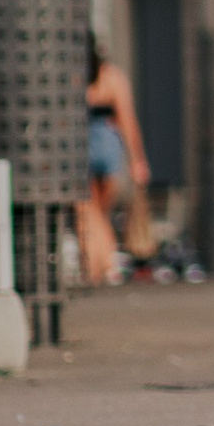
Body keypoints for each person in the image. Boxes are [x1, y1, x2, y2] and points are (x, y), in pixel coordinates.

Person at [77, 37, 149, 285]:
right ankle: (106, 262)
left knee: (87, 212)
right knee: (101, 212)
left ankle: (95, 265)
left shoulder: (74, 79)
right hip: (108, 146)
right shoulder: (113, 78)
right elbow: (127, 120)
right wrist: (137, 160)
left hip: (81, 146)